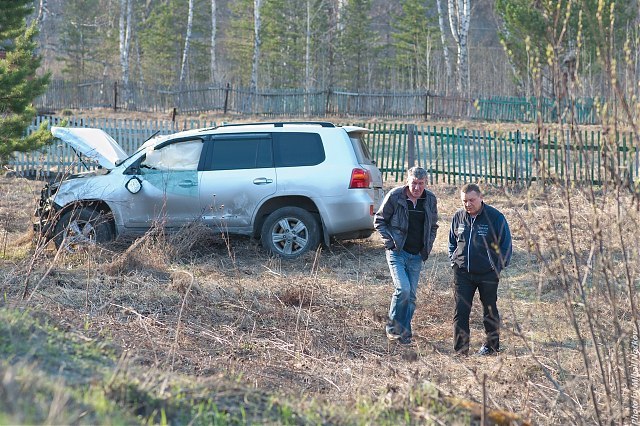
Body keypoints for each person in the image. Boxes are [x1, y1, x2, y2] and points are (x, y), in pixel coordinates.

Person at [374, 166, 439, 345]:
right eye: (414, 183)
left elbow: (433, 226)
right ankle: (393, 328)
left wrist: (427, 246)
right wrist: (390, 242)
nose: (417, 188)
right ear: (407, 181)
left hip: (417, 255)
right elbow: (379, 221)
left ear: (426, 183)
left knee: (411, 297)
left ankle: (404, 333)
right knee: (403, 289)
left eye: (421, 184)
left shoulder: (430, 199)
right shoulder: (396, 196)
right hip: (398, 253)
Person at [449, 183, 512, 356]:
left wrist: (497, 266)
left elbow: (506, 245)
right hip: (462, 273)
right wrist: (453, 261)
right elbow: (452, 242)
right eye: (464, 201)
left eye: (471, 200)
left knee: (489, 310)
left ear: (481, 197)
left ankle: (491, 347)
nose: (468, 204)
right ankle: (461, 350)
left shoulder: (495, 217)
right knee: (461, 311)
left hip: (487, 273)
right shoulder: (458, 217)